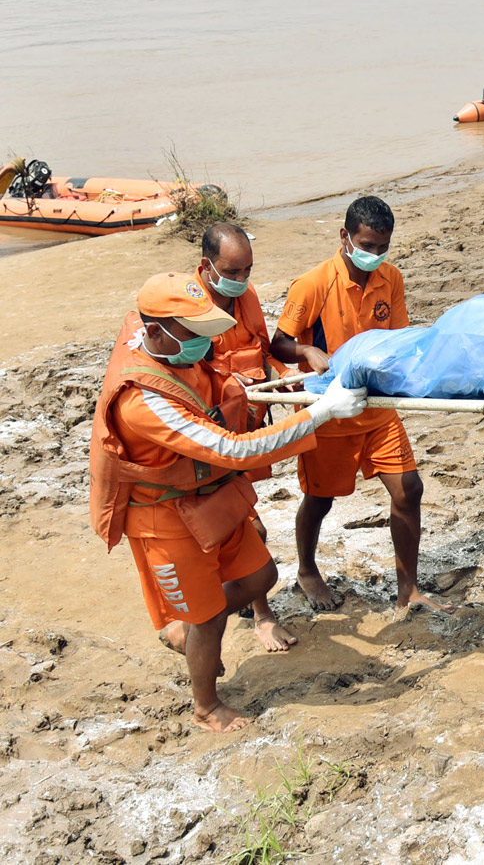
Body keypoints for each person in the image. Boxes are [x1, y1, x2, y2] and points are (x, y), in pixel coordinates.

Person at [88, 272, 366, 732]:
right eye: (193, 332)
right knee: (211, 616)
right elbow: (233, 449)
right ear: (156, 330)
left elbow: (226, 386)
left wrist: (293, 387)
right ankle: (206, 706)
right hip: (165, 516)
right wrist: (319, 413)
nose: (204, 342)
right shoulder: (142, 400)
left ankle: (189, 625)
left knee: (262, 574)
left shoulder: (172, 349)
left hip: (209, 496)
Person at [270, 196, 448, 615]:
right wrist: (306, 351)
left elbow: (400, 339)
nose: (374, 256)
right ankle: (307, 569)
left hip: (377, 408)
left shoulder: (391, 279)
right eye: (366, 246)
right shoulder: (312, 285)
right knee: (321, 498)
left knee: (409, 489)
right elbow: (278, 341)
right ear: (345, 237)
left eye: (382, 248)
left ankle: (409, 590)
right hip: (329, 410)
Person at [196, 222, 297, 652]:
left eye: (247, 272)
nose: (240, 281)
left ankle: (235, 607)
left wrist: (286, 380)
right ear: (206, 266)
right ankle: (257, 614)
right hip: (211, 437)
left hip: (249, 426)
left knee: (245, 526)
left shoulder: (246, 297)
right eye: (231, 272)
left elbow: (263, 351)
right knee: (247, 528)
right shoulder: (185, 309)